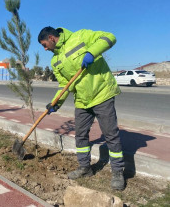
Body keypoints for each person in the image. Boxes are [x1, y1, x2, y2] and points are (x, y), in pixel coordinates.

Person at [38, 26, 125, 190]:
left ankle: (118, 172)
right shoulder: (55, 61)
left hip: (102, 93)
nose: (44, 49)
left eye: (44, 44)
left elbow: (109, 36)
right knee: (81, 135)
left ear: (51, 38)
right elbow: (64, 85)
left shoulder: (80, 36)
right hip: (82, 100)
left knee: (110, 134)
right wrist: (55, 103)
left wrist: (92, 52)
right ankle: (85, 168)